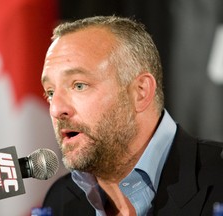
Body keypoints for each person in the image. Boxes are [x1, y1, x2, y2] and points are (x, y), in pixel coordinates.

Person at [40, 15, 223, 216]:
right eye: (50, 92)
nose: (56, 109)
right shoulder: (61, 201)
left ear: (140, 92)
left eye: (79, 85)